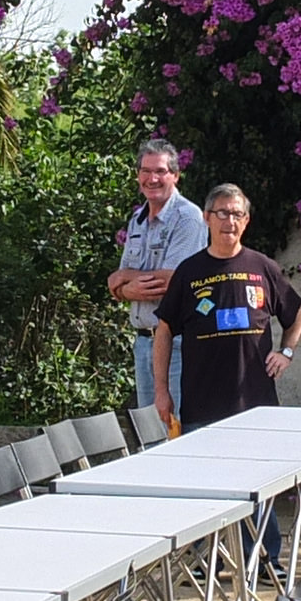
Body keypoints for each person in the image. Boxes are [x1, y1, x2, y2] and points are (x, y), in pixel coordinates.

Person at [153, 185, 301, 433]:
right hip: (202, 410)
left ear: (246, 221)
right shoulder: (188, 271)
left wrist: (286, 352)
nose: (230, 222)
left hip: (257, 407)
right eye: (222, 213)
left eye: (237, 214)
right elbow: (164, 330)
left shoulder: (263, 267)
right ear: (207, 218)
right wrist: (161, 391)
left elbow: (297, 310)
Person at [112, 136, 207, 417]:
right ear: (137, 175)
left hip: (177, 344)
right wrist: (123, 285)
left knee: (177, 427)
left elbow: (172, 281)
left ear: (175, 175)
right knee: (150, 429)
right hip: (143, 342)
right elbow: (117, 286)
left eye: (160, 171)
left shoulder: (188, 217)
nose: (152, 179)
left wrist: (124, 278)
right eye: (146, 171)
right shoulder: (138, 219)